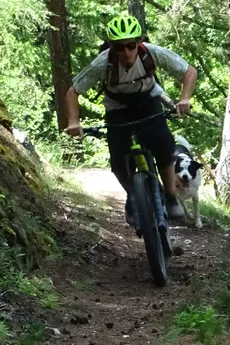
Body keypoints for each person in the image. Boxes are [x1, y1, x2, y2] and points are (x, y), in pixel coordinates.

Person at [64, 13, 198, 223]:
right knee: (118, 163)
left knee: (163, 144)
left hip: (149, 101)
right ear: (112, 47)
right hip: (117, 108)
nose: (126, 51)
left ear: (139, 42)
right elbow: (73, 92)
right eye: (119, 47)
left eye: (131, 45)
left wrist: (185, 99)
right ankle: (132, 195)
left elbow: (189, 72)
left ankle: (171, 197)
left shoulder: (152, 54)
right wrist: (73, 122)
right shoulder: (102, 63)